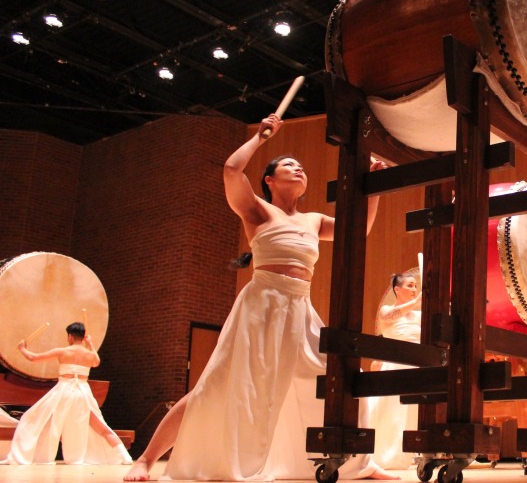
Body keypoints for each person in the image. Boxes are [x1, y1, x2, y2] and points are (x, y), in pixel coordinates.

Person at [123, 113, 397, 481]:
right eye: (289, 165)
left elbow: (357, 230)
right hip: (262, 304)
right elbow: (232, 171)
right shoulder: (256, 209)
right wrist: (262, 137)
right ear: (269, 180)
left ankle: (358, 462)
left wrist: (374, 188)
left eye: (302, 167)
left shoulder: (313, 220)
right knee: (215, 386)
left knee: (337, 376)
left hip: (299, 306)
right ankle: (145, 458)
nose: (299, 169)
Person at [1, 322, 132, 465]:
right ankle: (125, 457)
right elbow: (96, 362)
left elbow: (33, 358)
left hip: (64, 392)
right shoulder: (90, 355)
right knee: (101, 427)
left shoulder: (62, 351)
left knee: (32, 419)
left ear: (69, 336)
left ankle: (17, 457)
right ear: (83, 337)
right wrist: (90, 344)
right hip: (82, 394)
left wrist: (22, 349)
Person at [367, 272, 422, 469]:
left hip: (418, 365)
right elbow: (389, 316)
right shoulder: (387, 309)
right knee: (393, 413)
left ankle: (417, 453)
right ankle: (388, 455)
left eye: (415, 285)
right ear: (397, 289)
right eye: (409, 285)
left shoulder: (418, 315)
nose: (414, 289)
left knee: (415, 412)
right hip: (396, 364)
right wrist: (417, 301)